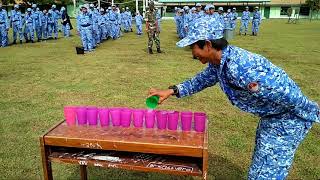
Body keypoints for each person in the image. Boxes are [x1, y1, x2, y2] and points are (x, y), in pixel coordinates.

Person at [148, 16, 319, 180]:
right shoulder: (221, 62)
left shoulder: (241, 68)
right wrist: (172, 90)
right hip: (273, 116)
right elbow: (201, 80)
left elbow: (287, 95)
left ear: (207, 45)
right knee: (261, 163)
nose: (193, 53)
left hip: (288, 118)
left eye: (193, 47)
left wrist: (309, 112)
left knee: (265, 172)